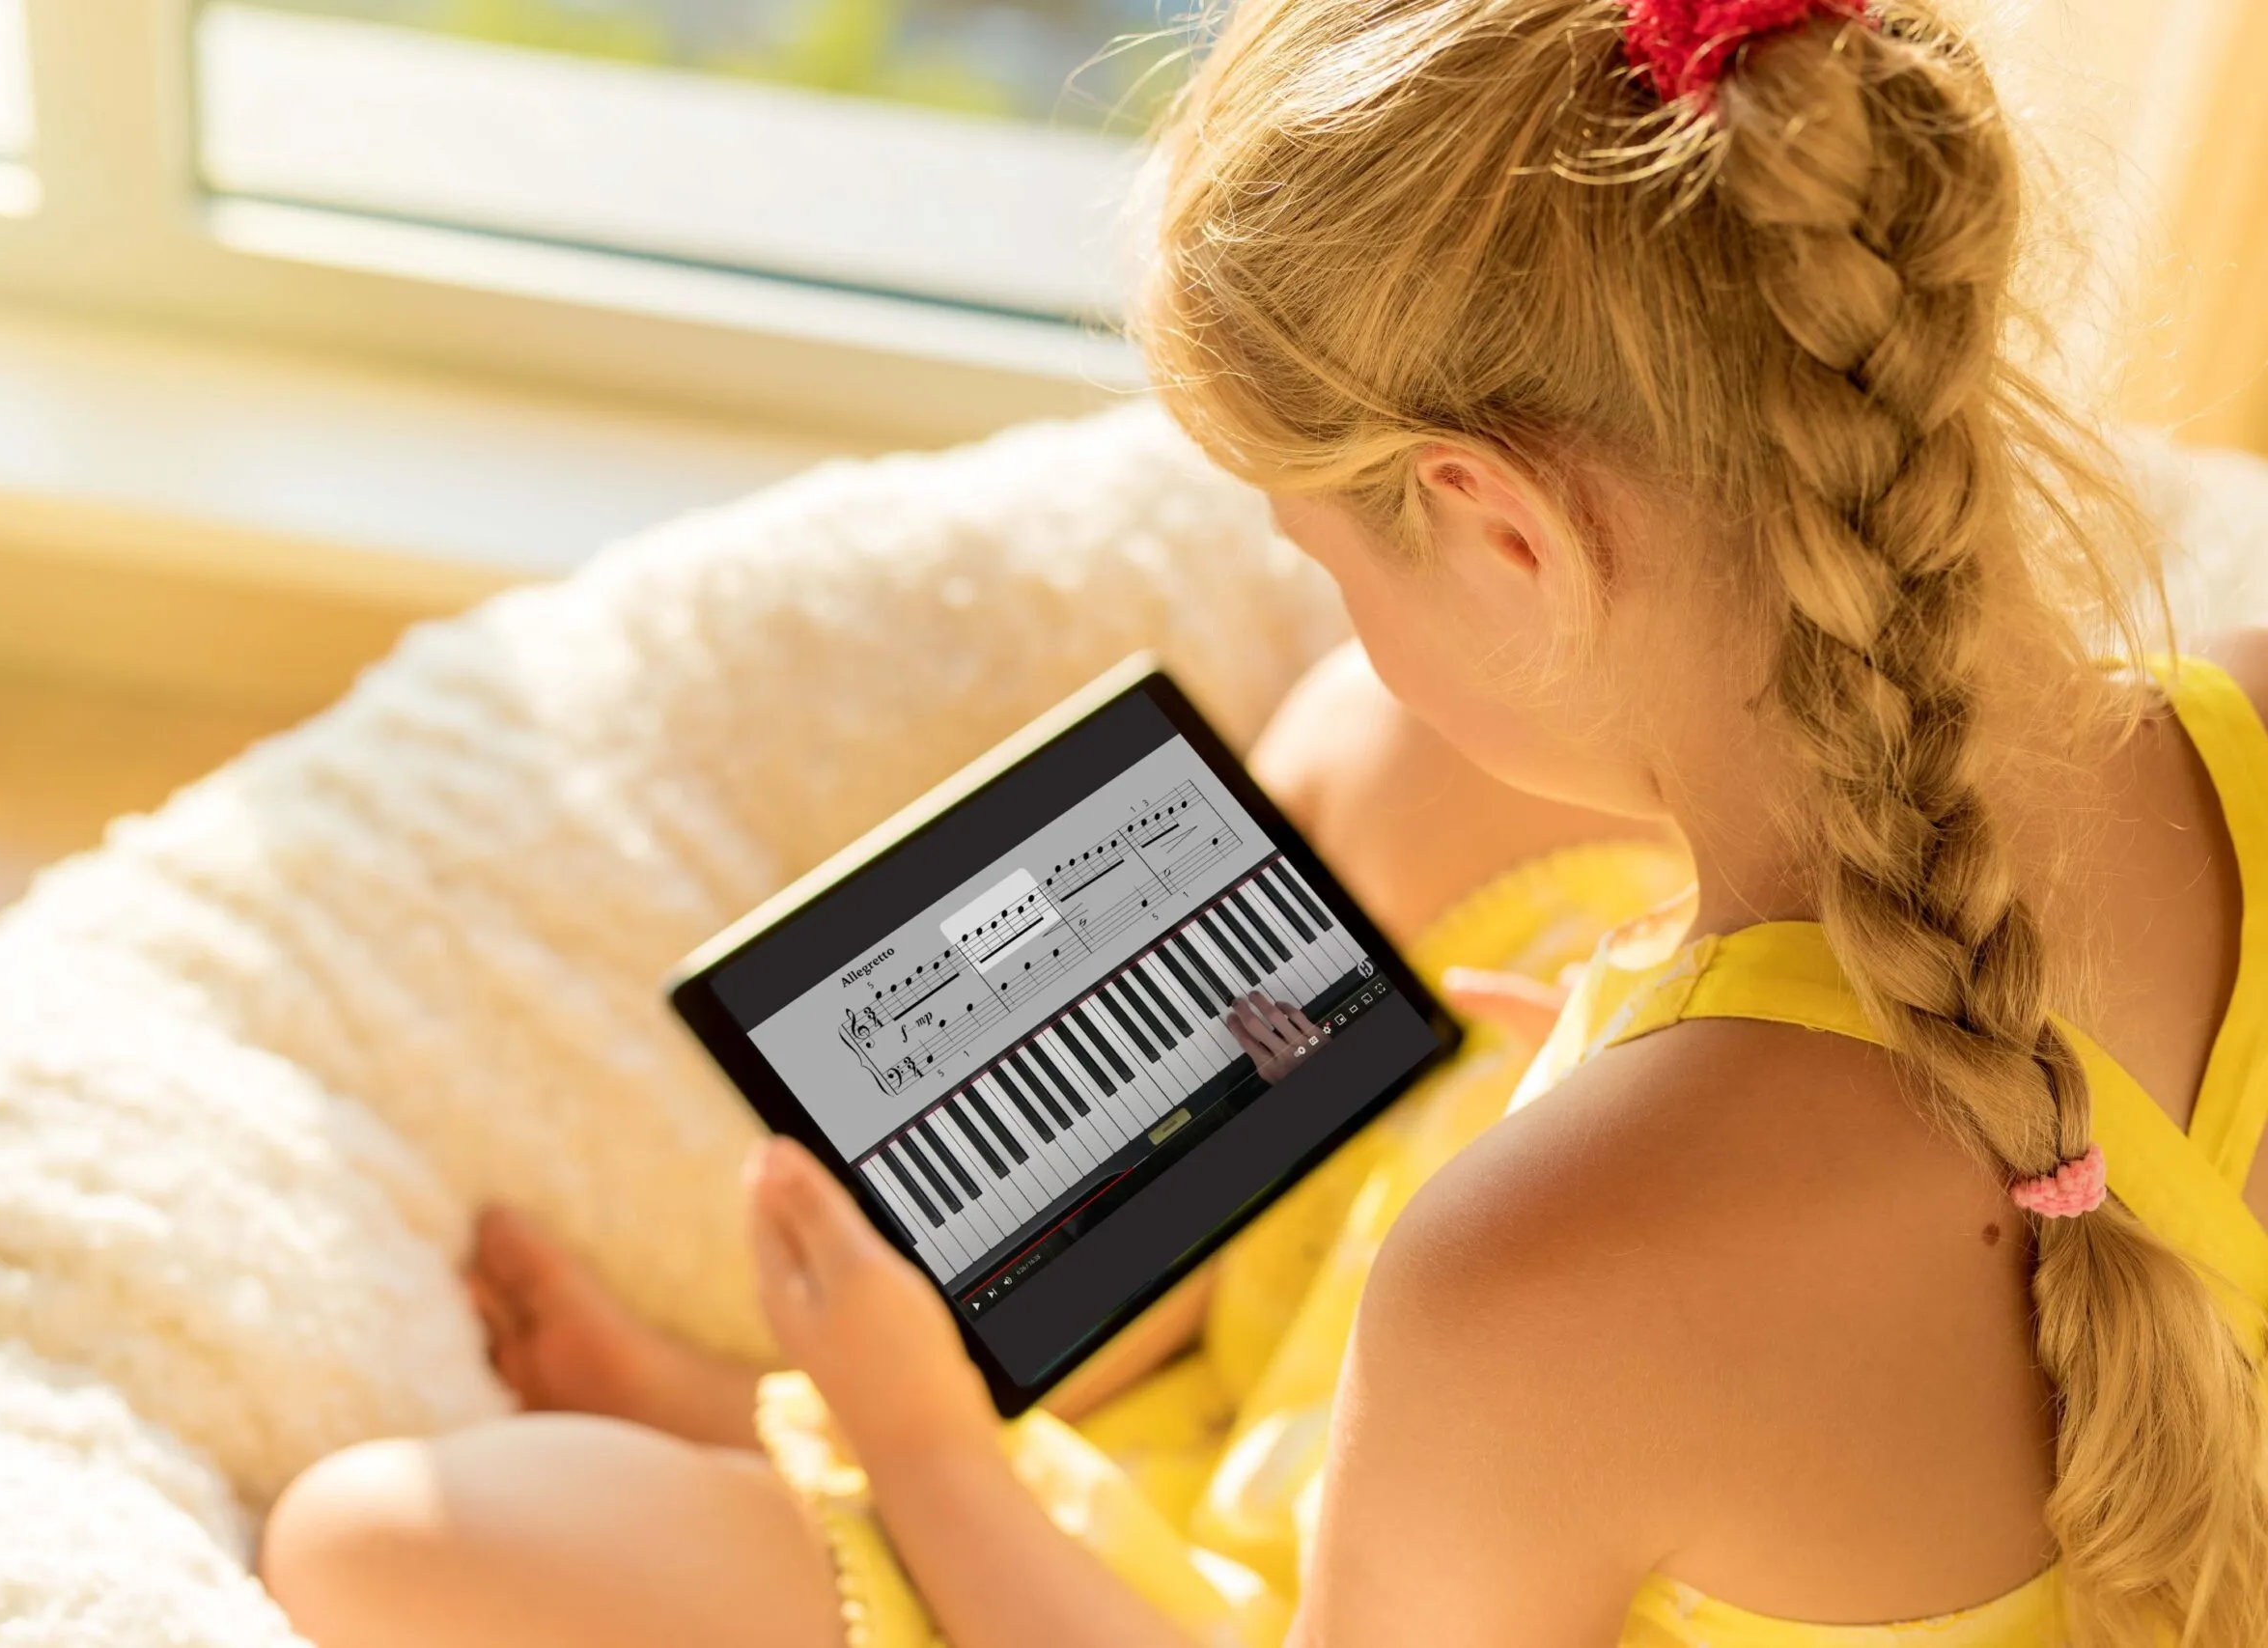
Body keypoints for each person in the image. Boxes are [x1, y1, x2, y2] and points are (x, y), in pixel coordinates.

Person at [256, 0, 2268, 1642]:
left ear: (1494, 528)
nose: (1334, 628)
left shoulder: (1520, 1277)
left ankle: (897, 1419)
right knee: (1391, 794)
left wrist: (928, 1454)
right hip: (1625, 1416)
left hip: (1379, 1529)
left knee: (378, 1538)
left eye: (1329, 563)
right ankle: (912, 1395)